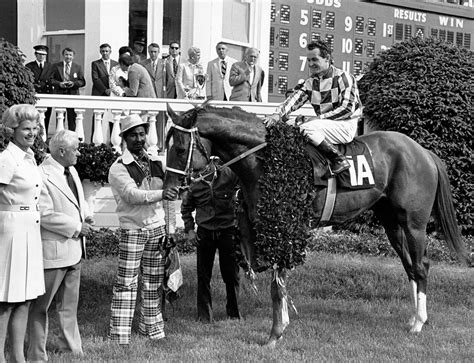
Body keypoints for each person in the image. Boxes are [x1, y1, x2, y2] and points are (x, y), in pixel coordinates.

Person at [108, 114, 178, 345]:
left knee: (153, 281)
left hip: (157, 229)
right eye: (133, 135)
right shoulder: (119, 168)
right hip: (133, 230)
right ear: (124, 139)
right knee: (127, 282)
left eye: (141, 134)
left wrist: (171, 228)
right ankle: (120, 336)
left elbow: (170, 194)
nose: (139, 139)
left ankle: (152, 329)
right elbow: (132, 196)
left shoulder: (156, 163)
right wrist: (162, 193)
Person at [27, 130, 94, 361]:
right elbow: (44, 213)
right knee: (40, 307)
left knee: (69, 306)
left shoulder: (71, 170)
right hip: (53, 251)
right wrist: (76, 227)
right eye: (75, 149)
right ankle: (36, 353)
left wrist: (87, 215)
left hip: (75, 250)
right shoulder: (41, 174)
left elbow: (79, 200)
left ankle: (71, 349)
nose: (79, 153)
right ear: (61, 151)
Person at [264, 40, 362, 174]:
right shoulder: (311, 82)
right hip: (323, 124)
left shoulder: (344, 77)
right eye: (308, 60)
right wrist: (277, 114)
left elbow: (347, 109)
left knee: (306, 128)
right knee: (286, 127)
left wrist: (317, 119)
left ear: (327, 58)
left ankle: (338, 159)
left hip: (345, 125)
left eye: (314, 59)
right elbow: (294, 100)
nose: (310, 64)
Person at [0, 104, 45, 362]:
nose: (31, 133)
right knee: (6, 300)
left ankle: (19, 358)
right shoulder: (6, 159)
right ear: (12, 130)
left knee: (25, 298)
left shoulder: (30, 158)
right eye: (25, 128)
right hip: (10, 230)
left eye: (35, 128)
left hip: (30, 228)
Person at [181, 158, 241, 323]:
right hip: (205, 233)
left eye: (202, 169)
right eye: (196, 171)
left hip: (227, 231)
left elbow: (245, 184)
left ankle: (234, 314)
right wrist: (190, 230)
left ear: (211, 164)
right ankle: (205, 316)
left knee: (231, 275)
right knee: (203, 275)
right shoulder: (192, 183)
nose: (198, 173)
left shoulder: (228, 174)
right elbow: (186, 208)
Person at [49, 47, 86, 131]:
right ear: (63, 55)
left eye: (70, 55)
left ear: (73, 56)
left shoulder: (78, 67)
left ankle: (72, 138)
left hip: (72, 95)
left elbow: (82, 82)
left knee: (72, 118)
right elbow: (50, 79)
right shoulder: (56, 66)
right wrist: (59, 84)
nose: (68, 57)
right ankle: (59, 138)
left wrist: (73, 84)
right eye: (66, 54)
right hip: (60, 94)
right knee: (60, 117)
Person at [91, 43, 118, 141]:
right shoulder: (95, 64)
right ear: (100, 52)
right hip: (99, 93)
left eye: (107, 51)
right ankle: (94, 142)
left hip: (112, 94)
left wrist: (113, 90)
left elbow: (117, 78)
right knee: (97, 118)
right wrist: (105, 90)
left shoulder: (116, 64)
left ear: (110, 52)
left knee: (111, 118)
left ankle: (111, 141)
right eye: (103, 51)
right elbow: (95, 79)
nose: (105, 53)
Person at [25, 45, 54, 134]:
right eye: (39, 54)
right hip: (35, 94)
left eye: (43, 54)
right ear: (35, 54)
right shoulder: (29, 66)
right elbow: (28, 80)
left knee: (46, 118)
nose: (41, 56)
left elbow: (52, 79)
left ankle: (44, 138)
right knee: (34, 118)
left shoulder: (50, 66)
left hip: (47, 93)